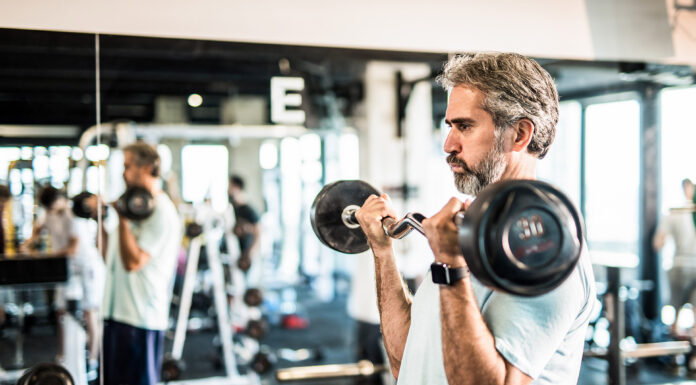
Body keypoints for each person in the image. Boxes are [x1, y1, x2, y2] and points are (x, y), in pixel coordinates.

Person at [355, 52, 596, 385]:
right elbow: (405, 361)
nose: (448, 144)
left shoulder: (545, 250)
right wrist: (383, 252)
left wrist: (451, 266)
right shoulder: (470, 233)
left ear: (520, 134)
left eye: (464, 127)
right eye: (450, 126)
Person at [101, 142, 181, 385]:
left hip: (140, 318)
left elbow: (133, 262)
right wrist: (101, 221)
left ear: (147, 168)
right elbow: (110, 257)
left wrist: (123, 218)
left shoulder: (161, 212)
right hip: (117, 313)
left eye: (128, 167)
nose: (123, 174)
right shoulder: (131, 209)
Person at [24, 186, 79, 364]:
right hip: (60, 269)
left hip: (80, 268)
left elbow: (72, 249)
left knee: (86, 313)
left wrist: (49, 255)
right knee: (60, 312)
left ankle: (91, 357)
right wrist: (27, 245)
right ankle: (63, 354)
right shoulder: (48, 212)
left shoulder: (71, 215)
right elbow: (38, 229)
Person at [654, 178, 696, 340]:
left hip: (679, 266)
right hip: (686, 265)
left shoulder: (673, 213)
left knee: (676, 317)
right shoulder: (675, 212)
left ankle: (681, 355)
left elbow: (658, 243)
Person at [227, 175, 261, 274]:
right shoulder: (230, 209)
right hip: (232, 253)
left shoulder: (249, 211)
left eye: (229, 186)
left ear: (237, 188)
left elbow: (258, 234)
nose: (227, 190)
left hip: (243, 256)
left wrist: (248, 255)